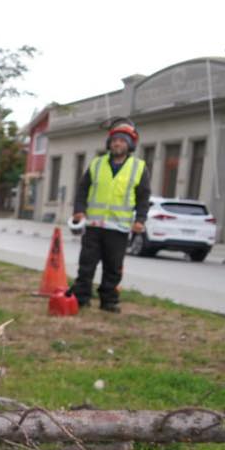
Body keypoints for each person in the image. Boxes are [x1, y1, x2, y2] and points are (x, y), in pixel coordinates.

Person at [69, 119, 151, 313]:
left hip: (119, 228)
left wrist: (140, 220)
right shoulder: (96, 164)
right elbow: (82, 189)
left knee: (113, 267)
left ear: (130, 144)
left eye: (122, 141)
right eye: (114, 140)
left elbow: (143, 197)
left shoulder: (139, 168)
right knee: (86, 264)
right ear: (109, 143)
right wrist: (79, 210)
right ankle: (81, 298)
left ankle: (109, 300)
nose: (117, 144)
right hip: (94, 225)